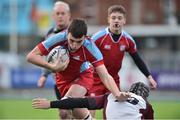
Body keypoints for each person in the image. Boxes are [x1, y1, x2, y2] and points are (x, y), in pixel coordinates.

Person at [26, 18, 130, 119]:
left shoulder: (91, 48)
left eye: (79, 41)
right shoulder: (58, 39)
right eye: (71, 40)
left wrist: (117, 94)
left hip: (83, 76)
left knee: (67, 103)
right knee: (68, 113)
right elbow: (31, 56)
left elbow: (106, 76)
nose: (74, 45)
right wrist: (51, 67)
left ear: (85, 37)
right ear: (67, 33)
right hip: (62, 80)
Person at [32, 82, 154, 119]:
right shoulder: (145, 104)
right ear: (144, 96)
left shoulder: (110, 96)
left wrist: (50, 104)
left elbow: (77, 102)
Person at [36, 1, 71, 119]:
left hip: (74, 79)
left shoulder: (75, 32)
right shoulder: (50, 34)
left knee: (76, 111)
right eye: (57, 13)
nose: (60, 16)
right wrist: (44, 75)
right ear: (53, 16)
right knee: (63, 113)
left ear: (69, 15)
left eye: (63, 13)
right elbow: (48, 56)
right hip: (58, 82)